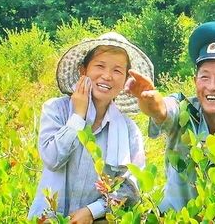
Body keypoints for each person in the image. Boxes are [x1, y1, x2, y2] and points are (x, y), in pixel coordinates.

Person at [125, 21, 215, 212]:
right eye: (204, 77)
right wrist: (149, 99)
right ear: (195, 81)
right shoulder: (184, 111)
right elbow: (162, 110)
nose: (211, 86)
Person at [28, 32, 154, 223]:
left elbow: (131, 187)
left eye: (117, 71)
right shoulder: (56, 110)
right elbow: (52, 159)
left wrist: (92, 211)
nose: (107, 76)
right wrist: (78, 117)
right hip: (47, 219)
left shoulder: (129, 130)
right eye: (100, 66)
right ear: (83, 71)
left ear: (126, 81)